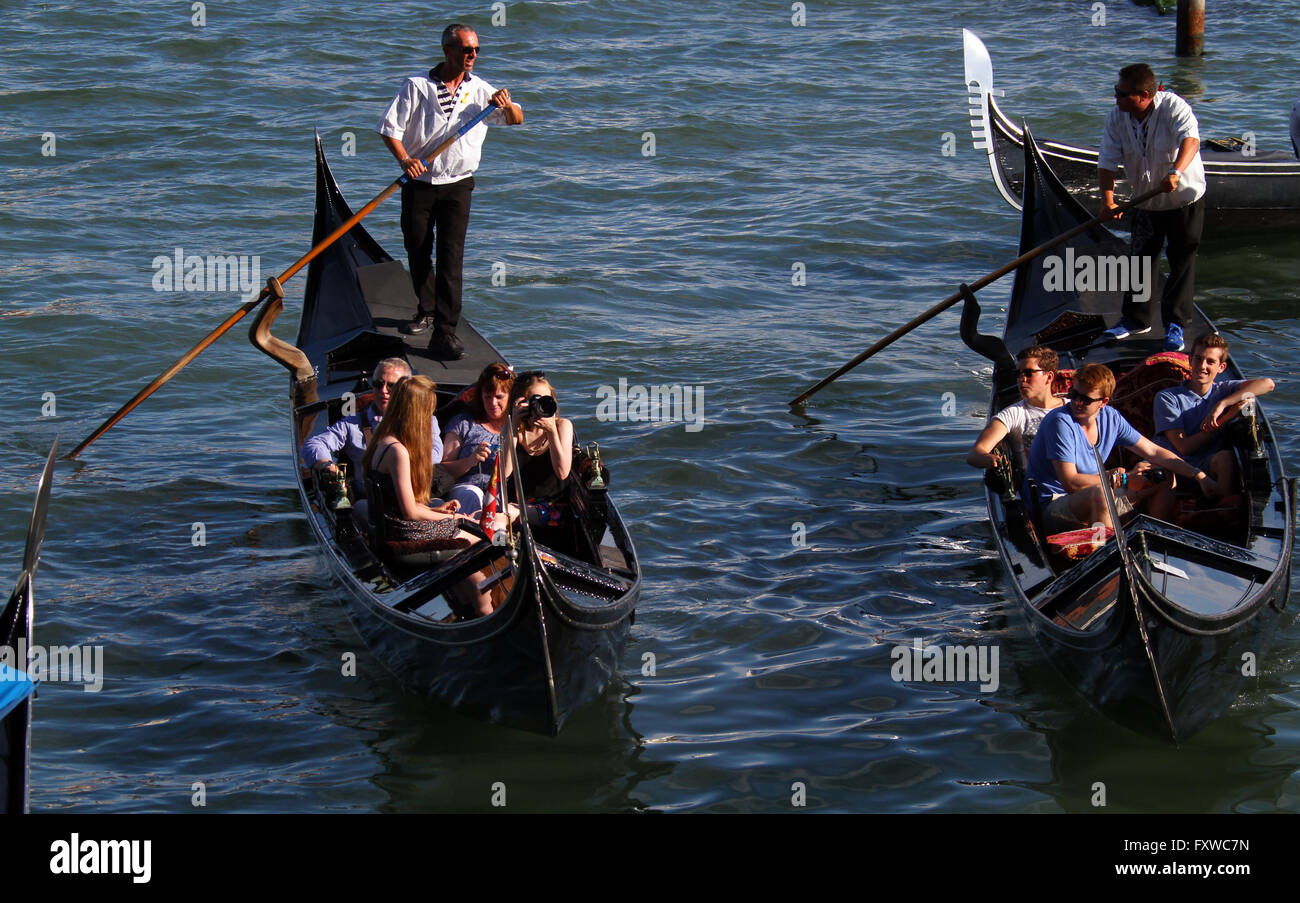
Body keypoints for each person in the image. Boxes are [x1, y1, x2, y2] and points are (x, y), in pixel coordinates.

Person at [376, 23, 524, 362]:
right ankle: (425, 309)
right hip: (420, 182)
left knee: (450, 258)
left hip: (459, 184)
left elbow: (516, 119)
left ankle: (445, 331)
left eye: (476, 50)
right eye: (466, 50)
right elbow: (389, 129)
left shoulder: (483, 91)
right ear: (448, 51)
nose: (472, 56)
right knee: (417, 247)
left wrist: (508, 102)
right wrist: (405, 160)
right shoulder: (417, 86)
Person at [362, 375, 501, 617]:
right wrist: (455, 520)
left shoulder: (381, 441)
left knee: (470, 528)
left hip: (394, 528)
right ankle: (483, 606)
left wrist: (439, 510)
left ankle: (467, 594)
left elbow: (401, 504)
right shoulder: (398, 452)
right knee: (482, 536)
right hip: (405, 534)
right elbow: (411, 513)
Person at [1027, 362, 1218, 533]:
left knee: (1161, 475)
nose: (1076, 403)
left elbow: (1154, 452)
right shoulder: (1060, 422)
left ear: (1103, 402)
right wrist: (1122, 479)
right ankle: (1107, 559)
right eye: (1074, 395)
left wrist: (1198, 474)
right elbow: (1071, 483)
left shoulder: (1111, 418)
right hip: (1052, 506)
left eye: (1085, 399)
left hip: (1095, 495)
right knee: (1100, 494)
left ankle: (1161, 540)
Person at [1098, 63, 1206, 353]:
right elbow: (1107, 161)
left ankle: (1175, 324)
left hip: (1185, 197)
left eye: (1121, 93)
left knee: (1182, 260)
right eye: (1116, 92)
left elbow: (1191, 140)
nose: (1116, 98)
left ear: (1144, 94)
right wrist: (1108, 201)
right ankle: (1136, 319)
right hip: (1147, 199)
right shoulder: (1116, 117)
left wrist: (1176, 172)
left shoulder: (1173, 106)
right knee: (1141, 260)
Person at [1153, 332, 1274, 497]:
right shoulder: (1168, 398)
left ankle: (1222, 507)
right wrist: (1225, 418)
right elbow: (1185, 447)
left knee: (1226, 458)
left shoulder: (1223, 391)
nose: (1202, 366)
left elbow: (1267, 384)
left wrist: (1222, 403)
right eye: (1198, 359)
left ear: (1221, 367)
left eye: (1210, 361)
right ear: (1190, 360)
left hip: (1208, 466)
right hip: (1174, 470)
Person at [300, 357, 443, 495]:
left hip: (415, 495)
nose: (383, 391)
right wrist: (327, 466)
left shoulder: (425, 420)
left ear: (406, 389)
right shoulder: (353, 423)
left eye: (392, 386)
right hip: (370, 500)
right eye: (378, 384)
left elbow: (435, 457)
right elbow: (314, 444)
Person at [966, 346, 1064, 471]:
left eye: (1029, 373)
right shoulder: (1013, 414)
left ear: (1049, 377)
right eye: (1018, 374)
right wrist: (990, 459)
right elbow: (974, 454)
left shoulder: (1073, 408)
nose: (1022, 379)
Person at [442, 362, 515, 516]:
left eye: (499, 397)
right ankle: (476, 537)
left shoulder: (516, 426)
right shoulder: (464, 423)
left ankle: (498, 539)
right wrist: (471, 460)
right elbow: (442, 470)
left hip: (503, 494)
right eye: (487, 397)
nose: (492, 403)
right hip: (466, 490)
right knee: (472, 494)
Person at [509, 371, 575, 527]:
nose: (540, 406)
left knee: (501, 515)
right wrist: (513, 427)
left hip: (553, 507)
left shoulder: (562, 426)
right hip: (516, 504)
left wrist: (551, 430)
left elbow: (562, 472)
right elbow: (504, 472)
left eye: (546, 400)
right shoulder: (513, 429)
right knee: (490, 513)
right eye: (535, 400)